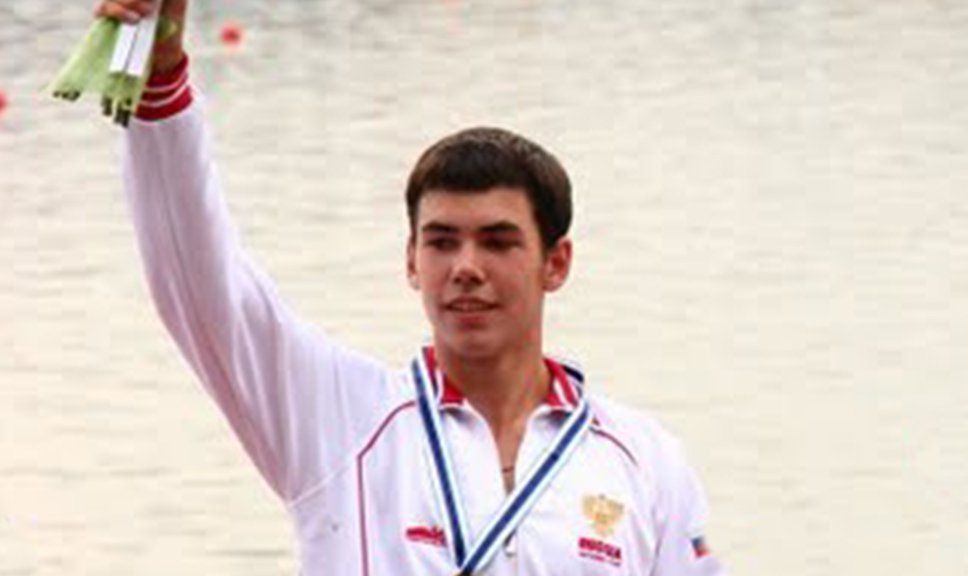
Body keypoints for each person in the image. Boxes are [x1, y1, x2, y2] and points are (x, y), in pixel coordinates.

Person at [97, 0, 729, 574]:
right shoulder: (341, 419)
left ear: (556, 263)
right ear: (411, 260)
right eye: (442, 241)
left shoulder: (643, 459)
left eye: (498, 242)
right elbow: (205, 284)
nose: (466, 267)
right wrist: (161, 74)